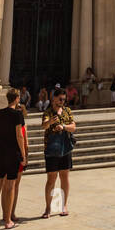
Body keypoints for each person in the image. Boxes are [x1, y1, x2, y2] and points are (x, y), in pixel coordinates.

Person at [0, 89, 27, 230]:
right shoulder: (17, 114)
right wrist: (23, 155)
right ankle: (8, 220)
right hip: (13, 154)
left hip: (0, 153)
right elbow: (19, 135)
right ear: (16, 99)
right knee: (10, 187)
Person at [41, 88, 76, 217]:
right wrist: (51, 121)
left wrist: (64, 127)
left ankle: (64, 205)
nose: (62, 101)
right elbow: (44, 125)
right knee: (51, 178)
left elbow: (74, 127)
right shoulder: (48, 112)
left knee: (64, 177)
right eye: (60, 99)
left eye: (64, 99)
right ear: (54, 98)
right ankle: (48, 208)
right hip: (51, 148)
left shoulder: (67, 111)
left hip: (65, 147)